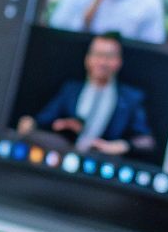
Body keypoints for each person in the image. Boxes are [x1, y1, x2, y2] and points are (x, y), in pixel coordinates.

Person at [17, 33, 155, 155]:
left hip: (101, 164)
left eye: (109, 56)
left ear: (118, 61)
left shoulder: (131, 98)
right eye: (97, 55)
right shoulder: (71, 89)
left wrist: (120, 146)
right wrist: (40, 124)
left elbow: (147, 141)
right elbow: (44, 119)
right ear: (87, 58)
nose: (102, 62)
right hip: (64, 155)